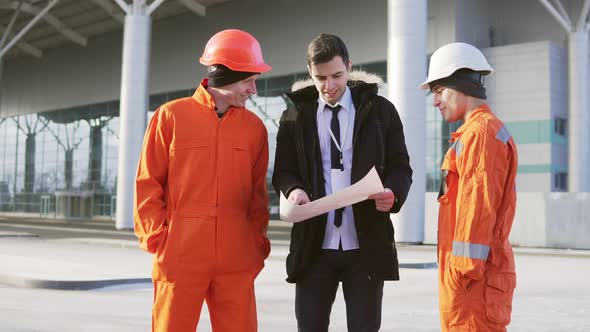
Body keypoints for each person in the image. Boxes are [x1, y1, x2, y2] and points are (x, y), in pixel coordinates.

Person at [272, 33, 413, 332]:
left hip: (365, 246)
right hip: (314, 247)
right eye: (320, 77)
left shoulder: (381, 111)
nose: (329, 86)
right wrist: (293, 189)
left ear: (349, 66)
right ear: (310, 73)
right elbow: (284, 170)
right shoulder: (295, 115)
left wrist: (393, 193)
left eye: (337, 75)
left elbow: (401, 165)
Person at [133, 29, 272, 332]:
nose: (253, 90)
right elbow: (148, 184)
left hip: (236, 256)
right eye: (248, 81)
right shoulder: (170, 116)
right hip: (180, 253)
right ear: (227, 76)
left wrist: (255, 247)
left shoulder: (255, 129)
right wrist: (157, 240)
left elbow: (258, 197)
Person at [421, 42, 518, 332]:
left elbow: (478, 207)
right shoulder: (477, 132)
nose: (435, 101)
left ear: (461, 84)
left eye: (439, 91)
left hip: (473, 284)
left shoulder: (481, 134)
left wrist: (462, 272)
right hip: (472, 281)